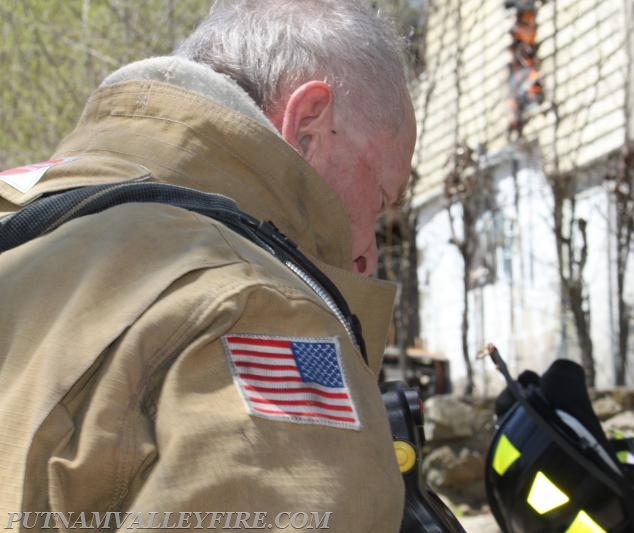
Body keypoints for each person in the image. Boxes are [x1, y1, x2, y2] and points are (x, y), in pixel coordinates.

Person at [0, 0, 416, 530]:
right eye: (381, 198)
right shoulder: (258, 310)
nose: (368, 253)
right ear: (308, 127)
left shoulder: (21, 215)